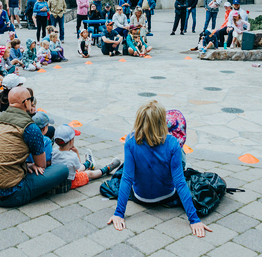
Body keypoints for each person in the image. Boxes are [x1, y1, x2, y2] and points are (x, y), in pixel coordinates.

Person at [107, 101, 210, 237]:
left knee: (125, 169)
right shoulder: (173, 142)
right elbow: (179, 182)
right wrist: (194, 219)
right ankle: (186, 166)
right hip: (167, 195)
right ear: (162, 122)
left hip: (140, 197)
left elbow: (127, 178)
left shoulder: (131, 140)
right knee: (183, 167)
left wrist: (119, 213)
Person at [0, 86, 68, 207]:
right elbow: (41, 166)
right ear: (26, 103)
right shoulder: (30, 127)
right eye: (31, 99)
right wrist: (30, 165)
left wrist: (26, 164)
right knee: (62, 170)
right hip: (10, 195)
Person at [53, 124, 121, 190]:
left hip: (60, 179)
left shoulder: (54, 151)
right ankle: (107, 169)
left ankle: (89, 163)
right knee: (89, 173)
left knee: (73, 168)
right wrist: (76, 152)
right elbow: (78, 167)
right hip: (72, 181)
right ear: (71, 141)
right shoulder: (73, 156)